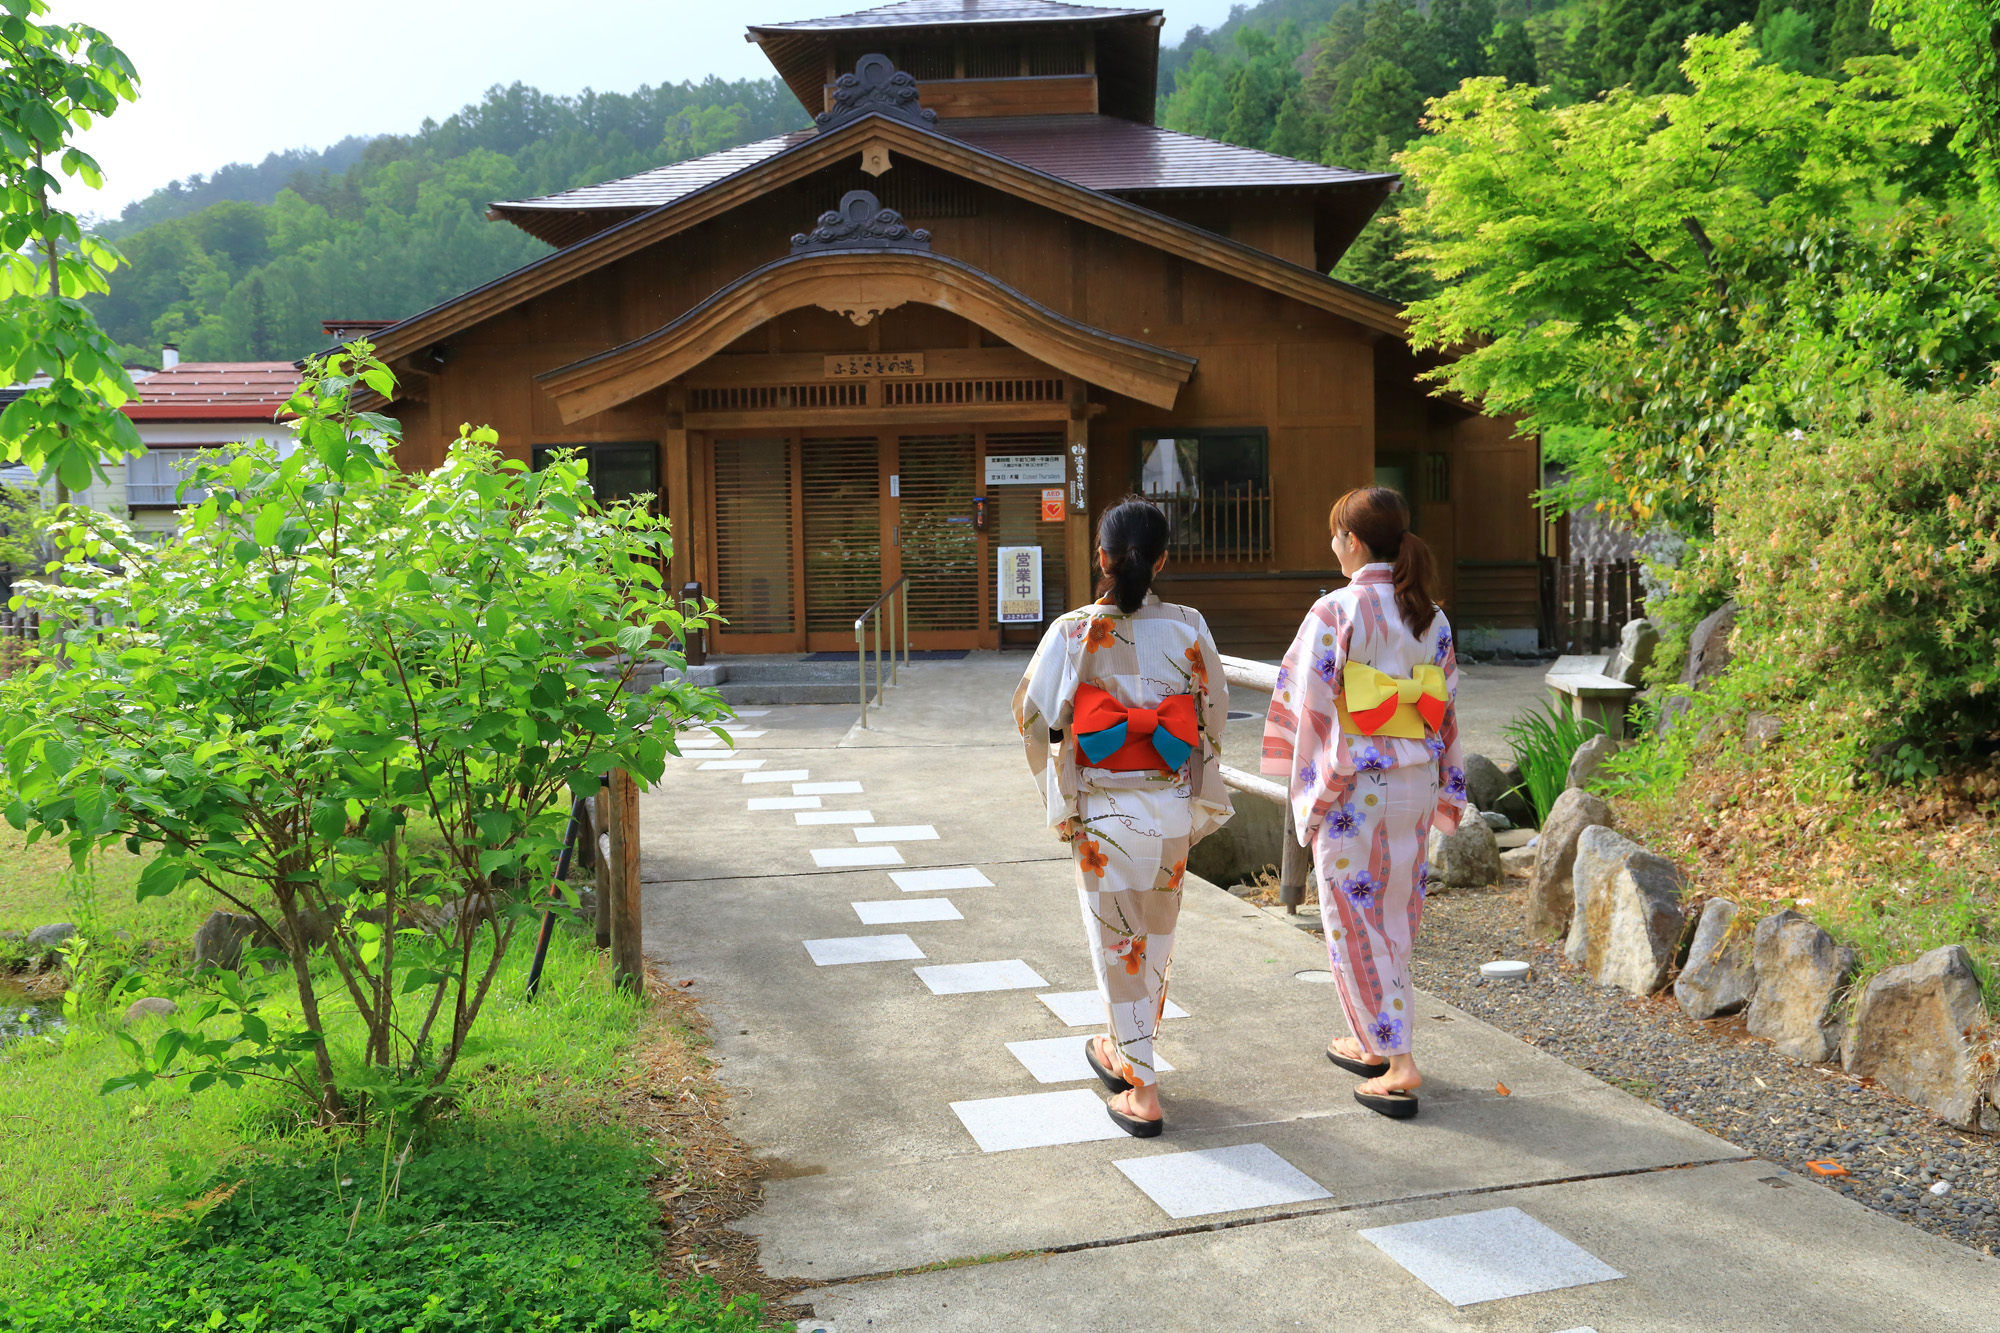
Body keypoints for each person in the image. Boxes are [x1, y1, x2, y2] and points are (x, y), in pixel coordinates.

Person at [1013, 497, 1233, 1137]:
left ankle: (1143, 1089)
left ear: (1101, 558)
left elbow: (1030, 716)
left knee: (1116, 944)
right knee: (1152, 943)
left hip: (1103, 811)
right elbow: (1212, 715)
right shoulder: (1189, 627)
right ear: (1163, 559)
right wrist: (1197, 790)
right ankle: (1121, 1049)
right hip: (1165, 807)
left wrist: (1056, 796)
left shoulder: (1074, 630)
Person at [1262, 487, 1465, 1120]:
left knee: (1353, 923)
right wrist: (1447, 783)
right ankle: (1375, 1038)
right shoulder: (1432, 615)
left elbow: (1309, 703)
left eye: (1335, 535)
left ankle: (1399, 1062)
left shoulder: (1335, 609)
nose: (1332, 546)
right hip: (1414, 781)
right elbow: (1445, 706)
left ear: (1352, 542)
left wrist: (1311, 785)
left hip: (1356, 787)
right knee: (1396, 916)